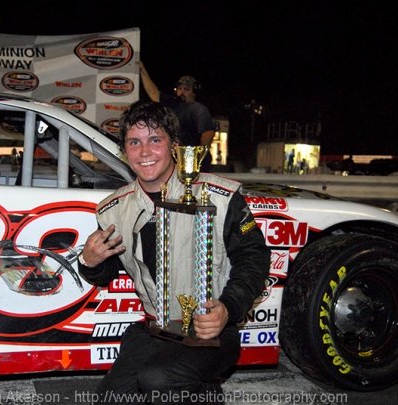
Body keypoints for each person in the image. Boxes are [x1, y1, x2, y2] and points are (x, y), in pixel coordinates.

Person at [78, 101, 270, 404]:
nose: (144, 152)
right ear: (124, 151)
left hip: (210, 332)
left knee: (159, 380)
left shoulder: (220, 197)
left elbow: (254, 259)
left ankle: (202, 393)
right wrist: (89, 262)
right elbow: (106, 273)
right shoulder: (112, 209)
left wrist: (227, 308)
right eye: (134, 142)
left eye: (155, 140)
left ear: (175, 146)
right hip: (154, 330)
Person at [139, 61, 216, 171]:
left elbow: (208, 133)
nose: (182, 92)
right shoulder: (172, 104)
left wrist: (197, 157)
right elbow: (154, 94)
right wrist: (142, 71)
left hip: (193, 163)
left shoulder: (199, 109)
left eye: (186, 89)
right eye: (180, 89)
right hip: (174, 161)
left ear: (194, 92)